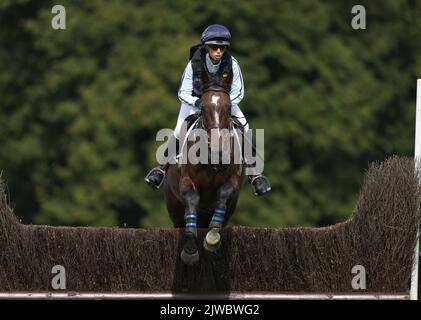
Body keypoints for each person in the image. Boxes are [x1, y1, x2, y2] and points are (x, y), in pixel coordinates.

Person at [145, 24, 271, 196]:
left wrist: (221, 105)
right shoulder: (194, 63)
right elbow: (183, 92)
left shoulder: (232, 64)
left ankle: (255, 175)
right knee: (178, 130)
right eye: (214, 47)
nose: (218, 51)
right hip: (194, 103)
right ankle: (161, 170)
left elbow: (239, 92)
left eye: (222, 47)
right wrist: (199, 104)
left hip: (224, 105)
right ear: (206, 47)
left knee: (246, 128)